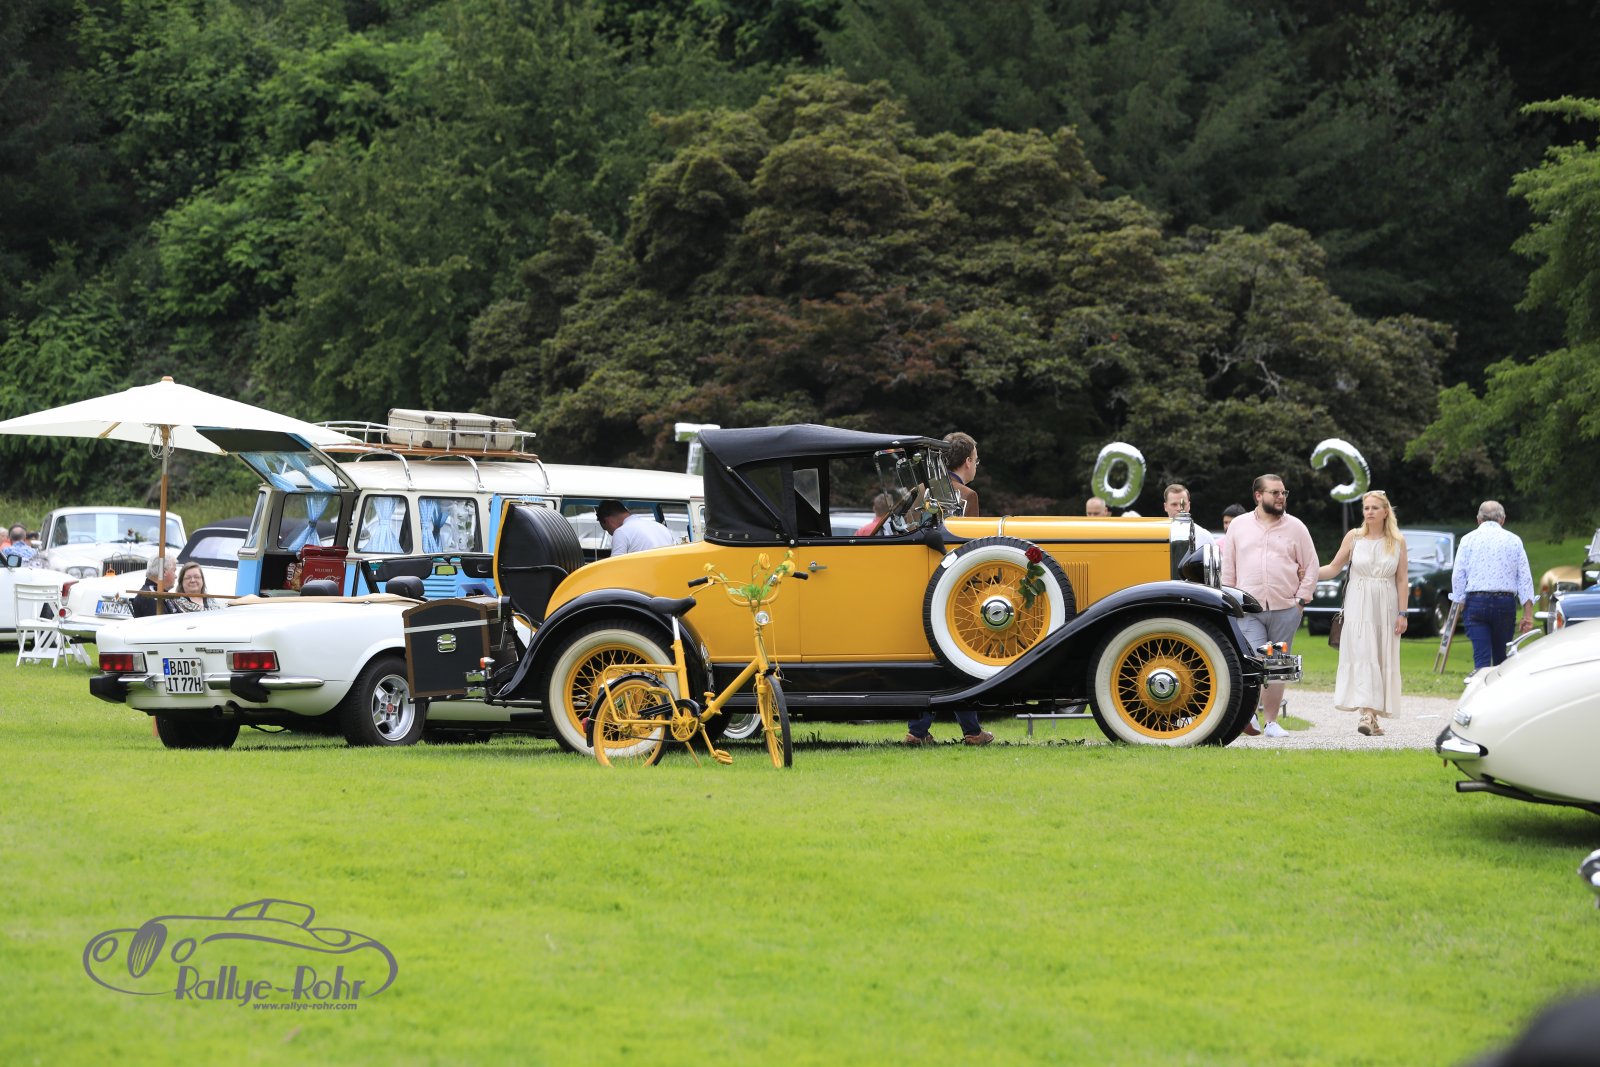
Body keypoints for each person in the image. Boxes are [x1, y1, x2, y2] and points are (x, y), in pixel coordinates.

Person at [1219, 474, 1319, 738]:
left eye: (1283, 493)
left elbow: (1311, 565)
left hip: (1285, 609)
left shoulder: (1296, 527)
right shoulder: (1238, 525)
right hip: (1249, 610)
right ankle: (1249, 715)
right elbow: (1228, 567)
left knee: (1278, 664)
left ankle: (1271, 722)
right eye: (1275, 493)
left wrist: (1301, 600)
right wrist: (1230, 601)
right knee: (1255, 660)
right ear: (1258, 496)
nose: (1281, 497)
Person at [1316, 491, 1408, 736]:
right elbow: (1333, 568)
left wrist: (1403, 613)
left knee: (1381, 655)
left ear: (1385, 511)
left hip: (1386, 606)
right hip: (1358, 605)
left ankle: (1371, 716)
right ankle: (1367, 713)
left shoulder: (1397, 541)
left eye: (1375, 508)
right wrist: (1307, 573)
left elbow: (1402, 579)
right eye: (1366, 508)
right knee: (1364, 653)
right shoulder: (1354, 537)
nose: (1369, 512)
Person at [1449, 500, 1536, 673]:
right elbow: (1524, 578)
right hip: (1504, 602)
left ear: (1478, 519)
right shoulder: (1514, 541)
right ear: (1502, 519)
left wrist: (1461, 602)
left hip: (1476, 602)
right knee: (1502, 659)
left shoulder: (1467, 540)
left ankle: (1479, 684)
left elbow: (1458, 575)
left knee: (1481, 659)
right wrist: (1528, 614)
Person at [596, 500, 676, 557]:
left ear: (607, 521)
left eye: (606, 529)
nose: (611, 534)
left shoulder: (621, 532)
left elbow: (615, 568)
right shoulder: (662, 528)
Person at [944, 432, 980, 517]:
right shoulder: (968, 494)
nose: (976, 465)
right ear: (968, 461)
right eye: (976, 461)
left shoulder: (921, 488)